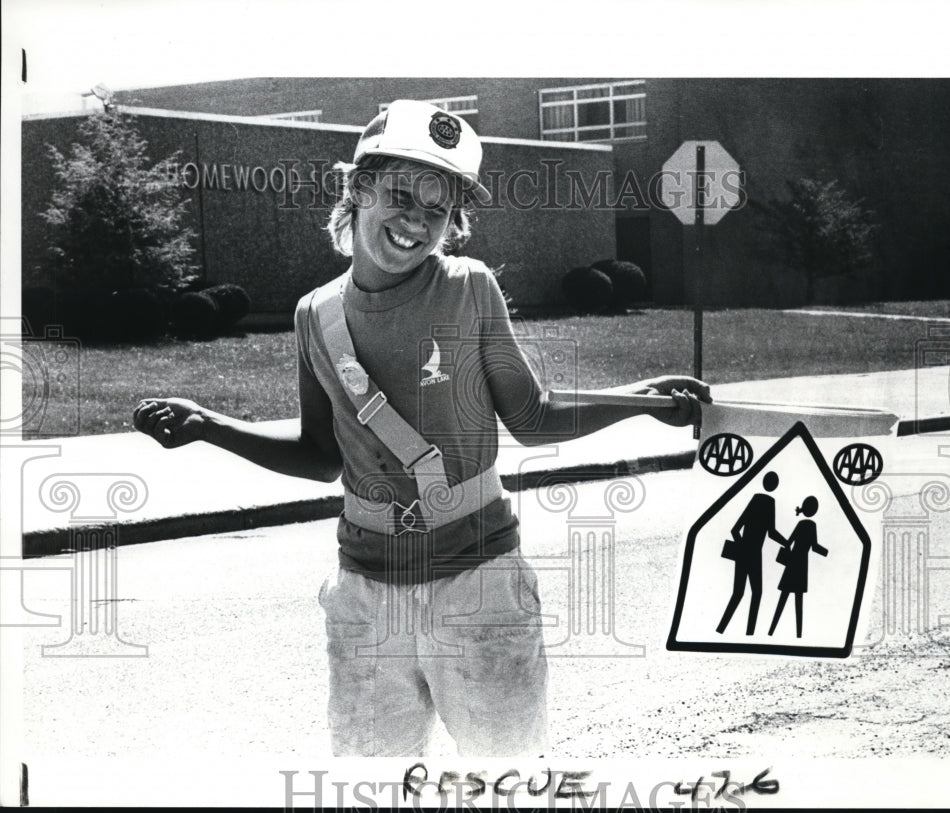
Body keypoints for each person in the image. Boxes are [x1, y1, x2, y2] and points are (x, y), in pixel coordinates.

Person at [133, 99, 711, 757]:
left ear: (454, 221)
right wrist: (212, 426)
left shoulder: (470, 289)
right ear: (357, 188)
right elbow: (322, 455)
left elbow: (530, 414)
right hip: (367, 591)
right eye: (400, 195)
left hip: (479, 584)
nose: (415, 221)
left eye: (436, 209)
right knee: (370, 785)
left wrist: (639, 399)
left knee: (506, 780)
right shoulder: (313, 315)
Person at [716, 470, 786, 635]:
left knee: (738, 593)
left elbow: (735, 530)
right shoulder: (769, 502)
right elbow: (771, 532)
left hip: (743, 554)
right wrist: (787, 542)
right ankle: (750, 632)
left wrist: (742, 549)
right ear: (774, 485)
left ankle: (721, 629)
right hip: (754, 555)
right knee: (756, 593)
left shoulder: (755, 500)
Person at [768, 496, 829, 638]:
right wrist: (826, 552)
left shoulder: (801, 524)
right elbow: (814, 547)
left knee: (782, 599)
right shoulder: (811, 525)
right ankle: (798, 634)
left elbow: (788, 542)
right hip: (801, 564)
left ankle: (771, 631)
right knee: (798, 602)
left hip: (792, 563)